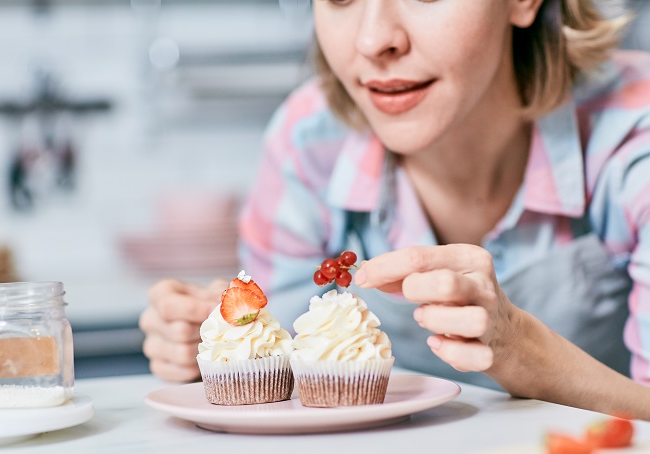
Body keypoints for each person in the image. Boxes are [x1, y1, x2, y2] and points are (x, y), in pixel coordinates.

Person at [140, 0, 650, 419]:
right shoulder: (307, 139)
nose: (373, 40)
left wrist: (522, 349)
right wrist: (219, 348)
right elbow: (283, 378)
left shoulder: (634, 131)